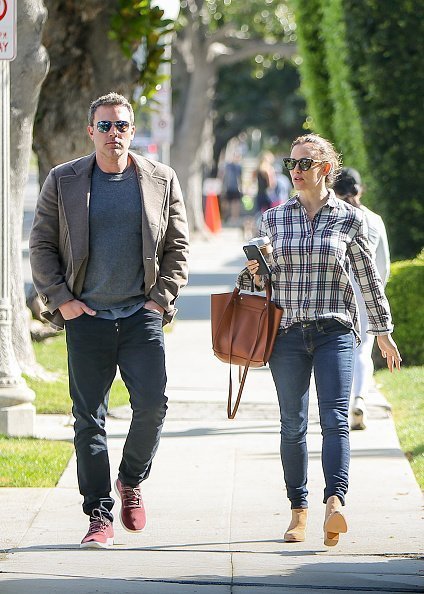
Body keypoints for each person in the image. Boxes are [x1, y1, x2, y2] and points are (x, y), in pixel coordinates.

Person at [29, 92, 189, 549]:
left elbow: (178, 246)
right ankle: (99, 514)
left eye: (121, 126)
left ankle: (131, 480)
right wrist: (61, 300)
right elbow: (41, 245)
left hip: (142, 316)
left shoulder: (160, 179)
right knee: (88, 419)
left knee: (153, 406)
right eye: (105, 126)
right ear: (90, 131)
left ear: (132, 131)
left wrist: (159, 301)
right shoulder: (64, 180)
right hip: (87, 318)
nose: (113, 134)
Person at [239, 133, 401, 547]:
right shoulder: (274, 219)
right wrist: (256, 272)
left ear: (326, 169)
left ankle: (335, 503)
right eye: (290, 165)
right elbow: (252, 283)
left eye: (303, 164)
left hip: (336, 331)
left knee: (336, 420)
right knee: (292, 425)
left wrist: (382, 332)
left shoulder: (350, 219)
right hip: (288, 335)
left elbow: (366, 278)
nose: (294, 171)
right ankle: (298, 510)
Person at [334, 168, 391, 430]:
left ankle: (340, 402)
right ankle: (359, 397)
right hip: (365, 290)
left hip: (337, 290)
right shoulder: (373, 219)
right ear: (360, 189)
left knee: (336, 349)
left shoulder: (334, 218)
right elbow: (383, 267)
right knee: (363, 349)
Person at [221, 153, 243, 222]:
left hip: (235, 187)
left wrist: (241, 187)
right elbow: (223, 175)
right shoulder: (227, 165)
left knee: (235, 203)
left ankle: (234, 218)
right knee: (226, 203)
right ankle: (225, 216)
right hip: (228, 187)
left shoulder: (239, 167)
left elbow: (240, 177)